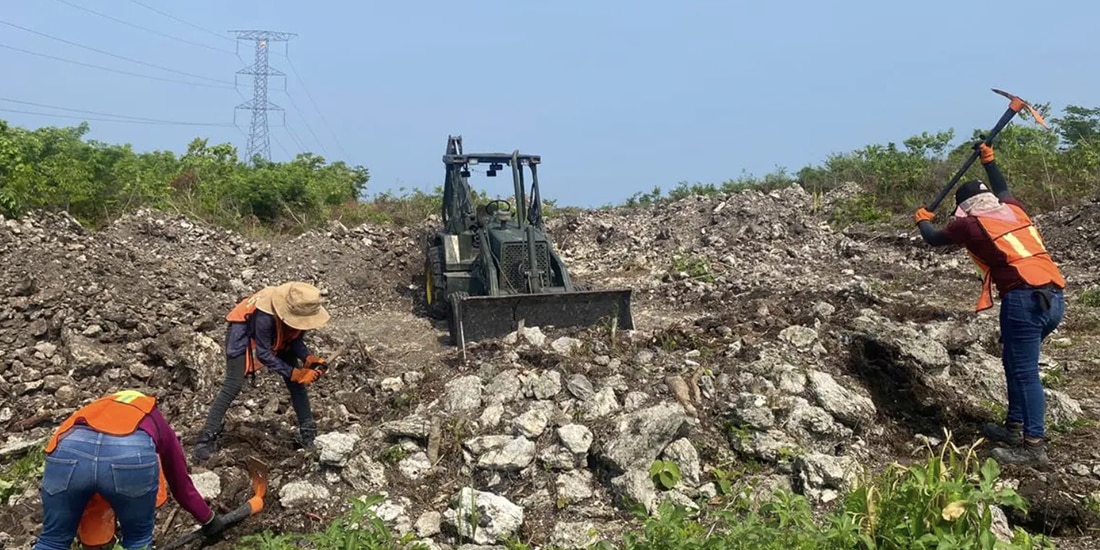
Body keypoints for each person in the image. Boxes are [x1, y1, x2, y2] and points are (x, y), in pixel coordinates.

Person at [913, 141, 1066, 467]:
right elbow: (1004, 189)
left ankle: (1034, 446)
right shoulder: (1013, 210)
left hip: (1025, 300)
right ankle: (1013, 427)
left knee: (1025, 373)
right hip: (1054, 299)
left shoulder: (969, 223)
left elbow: (934, 239)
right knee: (1014, 363)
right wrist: (990, 161)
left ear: (964, 207)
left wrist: (922, 220)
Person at [34, 390, 228, 550]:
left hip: (69, 450)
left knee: (52, 541)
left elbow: (79, 456)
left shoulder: (95, 409)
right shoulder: (154, 418)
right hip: (129, 455)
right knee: (137, 541)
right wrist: (208, 519)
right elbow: (180, 485)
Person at [193, 281, 331, 462]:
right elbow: (264, 353)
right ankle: (206, 438)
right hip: (244, 330)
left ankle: (308, 434)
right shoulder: (265, 316)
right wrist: (294, 373)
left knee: (296, 385)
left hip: (277, 331)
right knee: (233, 384)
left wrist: (308, 358)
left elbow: (293, 338)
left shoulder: (300, 310)